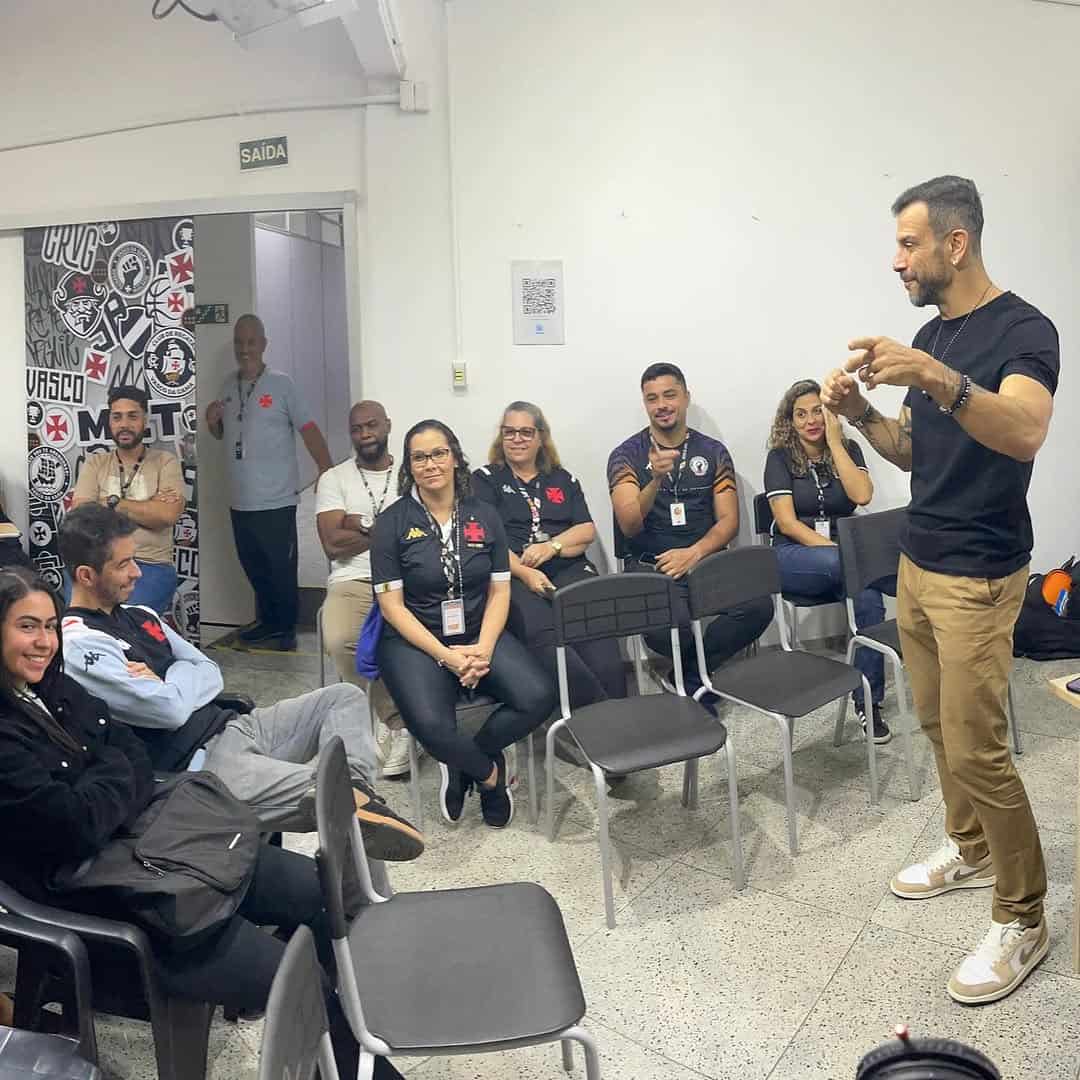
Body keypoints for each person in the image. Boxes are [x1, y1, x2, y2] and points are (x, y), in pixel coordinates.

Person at [0, 567, 402, 1079]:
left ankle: (334, 1034)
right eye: (27, 626)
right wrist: (114, 776)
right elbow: (77, 824)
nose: (44, 642)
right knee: (300, 984)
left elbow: (130, 752)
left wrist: (106, 781)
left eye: (50, 626)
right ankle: (335, 1041)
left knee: (328, 890)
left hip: (160, 845)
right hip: (116, 896)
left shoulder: (52, 687)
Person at [822, 175, 1058, 1004]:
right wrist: (861, 414)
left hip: (980, 574)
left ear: (955, 244)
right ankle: (972, 847)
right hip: (919, 564)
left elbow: (1024, 431)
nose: (897, 261)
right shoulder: (933, 332)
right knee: (935, 726)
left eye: (909, 244)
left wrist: (931, 374)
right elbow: (917, 453)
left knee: (979, 749)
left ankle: (1024, 917)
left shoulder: (1023, 330)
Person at [56, 503, 422, 873]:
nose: (136, 572)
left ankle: (357, 794)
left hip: (235, 725)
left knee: (343, 698)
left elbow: (210, 670)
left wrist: (168, 678)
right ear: (86, 575)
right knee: (327, 789)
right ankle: (348, 805)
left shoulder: (142, 616)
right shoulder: (79, 645)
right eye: (123, 565)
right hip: (202, 767)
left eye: (134, 560)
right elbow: (169, 711)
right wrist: (181, 674)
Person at [371, 420, 555, 828]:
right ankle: (489, 776)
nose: (430, 464)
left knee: (539, 696)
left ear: (455, 457)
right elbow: (392, 608)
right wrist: (448, 657)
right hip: (414, 640)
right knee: (430, 726)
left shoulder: (484, 515)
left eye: (439, 453)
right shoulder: (392, 523)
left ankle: (468, 757)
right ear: (409, 467)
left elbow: (500, 592)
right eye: (419, 457)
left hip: (477, 630)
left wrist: (484, 649)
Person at [608, 363, 772, 705]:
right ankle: (698, 681)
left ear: (686, 397)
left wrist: (694, 553)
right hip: (651, 567)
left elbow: (729, 522)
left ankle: (690, 677)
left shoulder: (713, 452)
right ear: (645, 404)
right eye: (652, 398)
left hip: (705, 562)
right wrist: (654, 479)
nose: (662, 405)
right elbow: (629, 525)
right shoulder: (625, 456)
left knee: (758, 607)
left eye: (669, 395)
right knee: (666, 629)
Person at [764, 378, 894, 743]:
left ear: (830, 414)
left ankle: (868, 701)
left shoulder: (849, 449)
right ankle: (894, 579)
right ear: (790, 421)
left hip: (845, 560)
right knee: (861, 570)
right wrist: (839, 553)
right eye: (800, 414)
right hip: (793, 556)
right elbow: (787, 523)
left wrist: (836, 443)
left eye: (817, 411)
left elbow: (862, 495)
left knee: (868, 597)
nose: (810, 421)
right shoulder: (780, 457)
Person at [473, 401, 624, 707]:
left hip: (568, 568)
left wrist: (551, 546)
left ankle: (620, 711)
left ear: (541, 437)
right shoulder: (485, 479)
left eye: (525, 432)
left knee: (598, 629)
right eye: (509, 432)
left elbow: (585, 532)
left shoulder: (562, 479)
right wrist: (525, 572)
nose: (517, 439)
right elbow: (489, 541)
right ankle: (589, 715)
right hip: (513, 572)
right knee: (546, 634)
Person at [205, 314, 333, 651]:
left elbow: (308, 428)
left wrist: (326, 470)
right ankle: (268, 623)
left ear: (263, 344)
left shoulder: (282, 385)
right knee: (253, 565)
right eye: (239, 342)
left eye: (251, 342)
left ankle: (285, 630)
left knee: (280, 568)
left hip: (276, 498)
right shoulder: (227, 386)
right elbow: (222, 434)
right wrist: (212, 423)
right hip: (241, 499)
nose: (244, 349)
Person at [316, 400, 416, 781]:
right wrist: (384, 531)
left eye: (371, 425)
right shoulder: (334, 479)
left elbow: (417, 536)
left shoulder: (411, 473)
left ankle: (407, 720)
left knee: (412, 641)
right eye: (357, 429)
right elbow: (332, 544)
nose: (365, 434)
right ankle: (392, 721)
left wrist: (357, 524)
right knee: (341, 639)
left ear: (387, 425)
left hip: (407, 578)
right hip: (353, 579)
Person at [72, 385, 183, 614]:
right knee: (78, 617)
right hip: (99, 564)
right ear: (110, 422)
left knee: (124, 618)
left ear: (145, 420)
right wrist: (148, 507)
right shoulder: (95, 463)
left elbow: (166, 515)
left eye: (132, 416)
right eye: (117, 417)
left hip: (149, 565)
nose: (124, 424)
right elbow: (81, 516)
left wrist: (108, 502)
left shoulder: (165, 462)